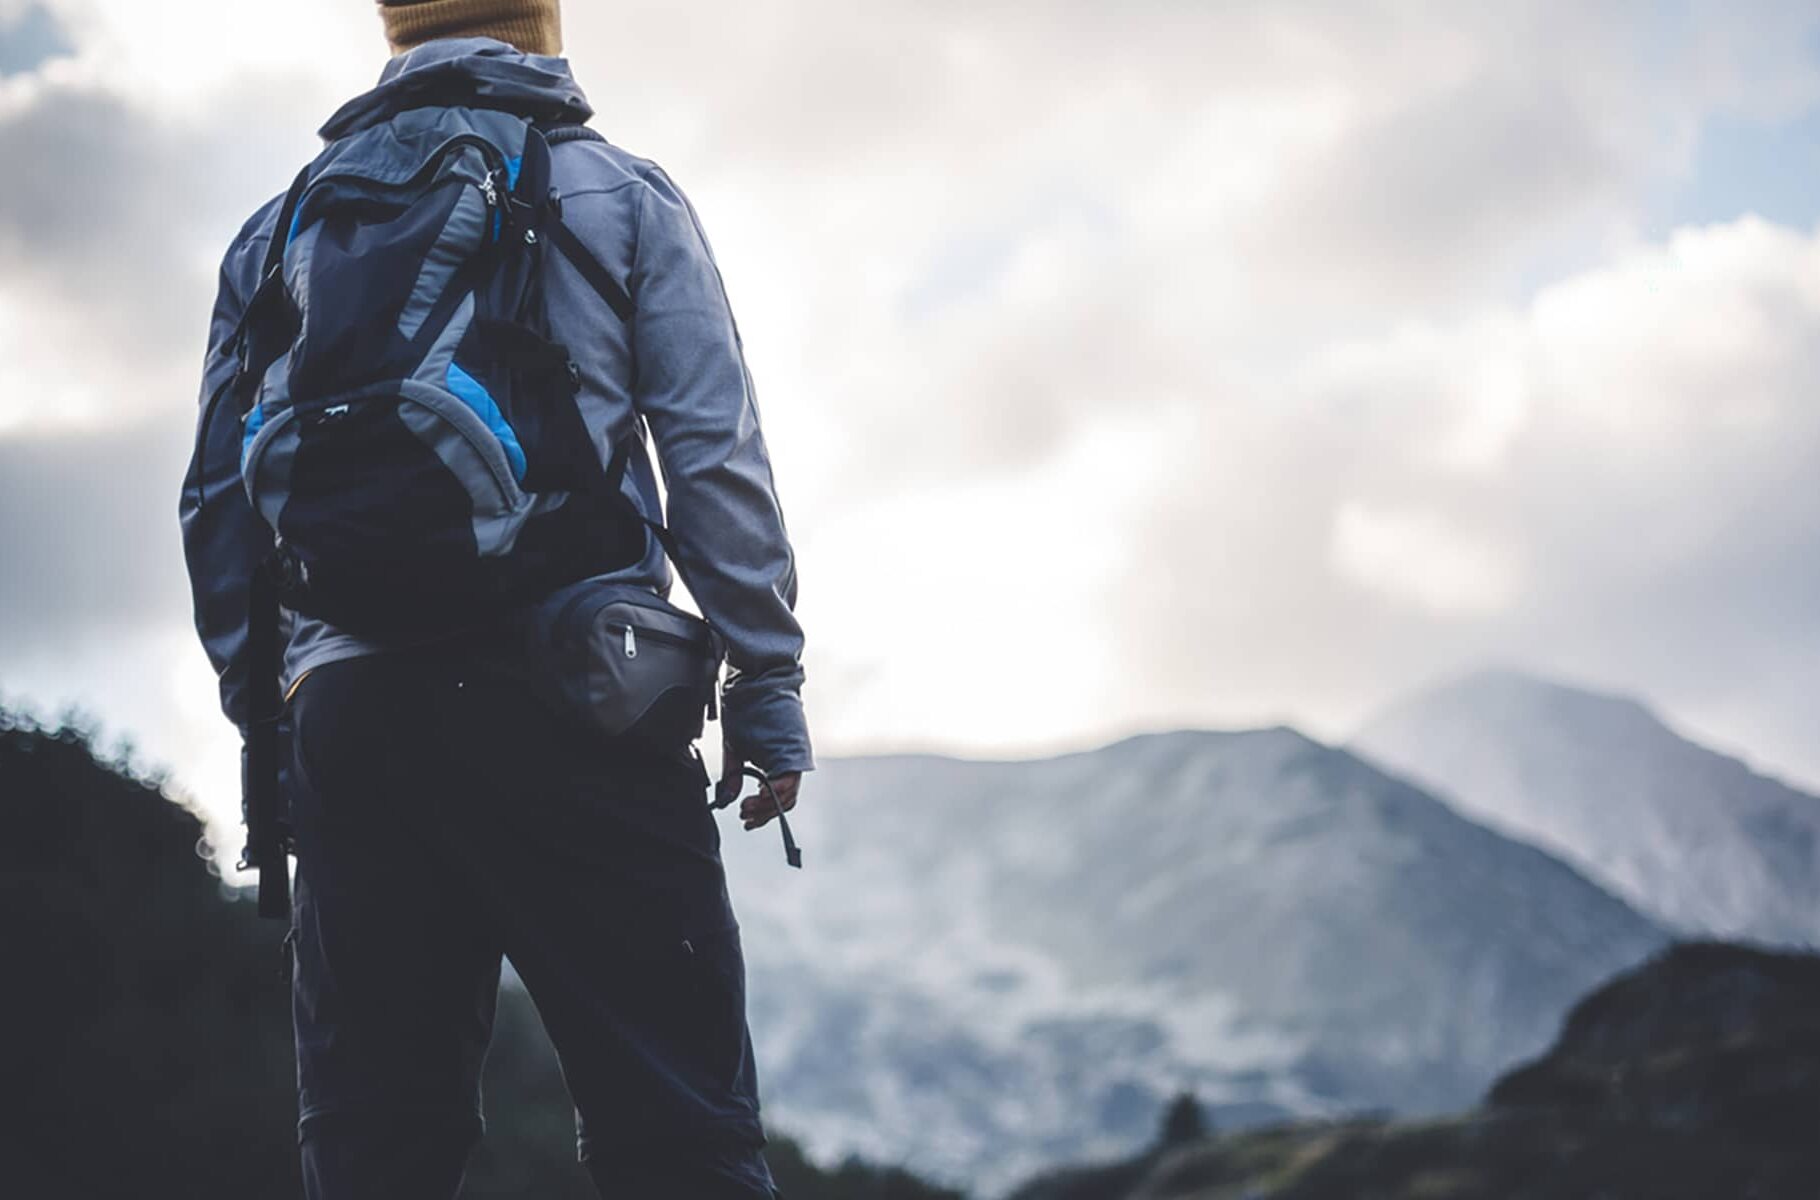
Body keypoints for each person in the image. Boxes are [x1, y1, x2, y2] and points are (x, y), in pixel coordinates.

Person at [178, 2, 811, 1196]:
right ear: (541, 30)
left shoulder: (274, 234)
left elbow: (217, 501)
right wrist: (765, 683)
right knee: (676, 1127)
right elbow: (710, 453)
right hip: (577, 693)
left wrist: (276, 717)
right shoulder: (611, 191)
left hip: (350, 718)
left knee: (373, 1149)